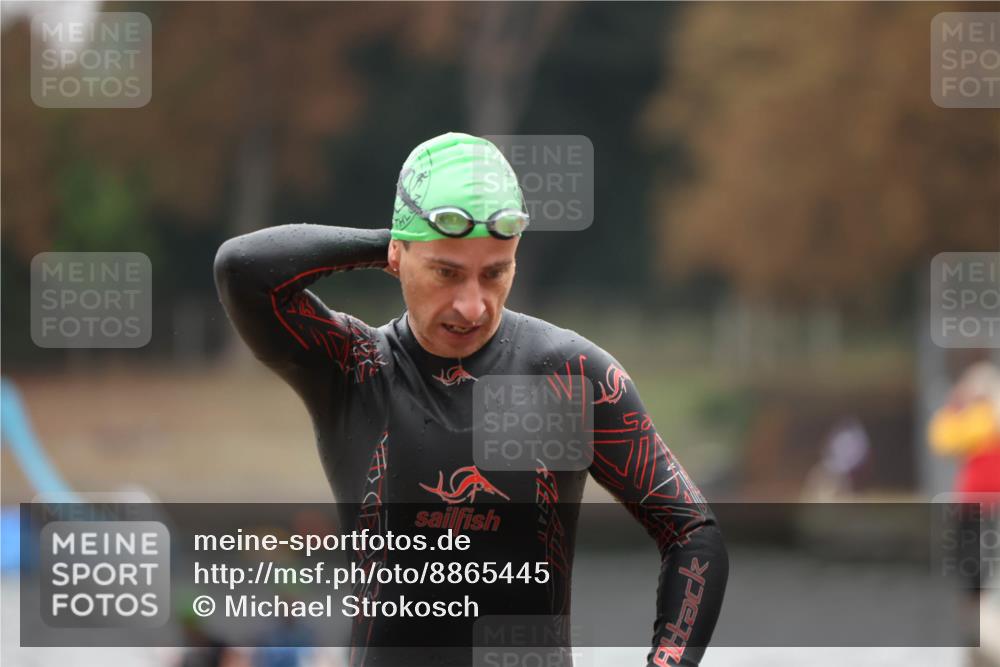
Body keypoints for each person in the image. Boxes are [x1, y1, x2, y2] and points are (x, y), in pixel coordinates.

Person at [214, 132, 728, 666]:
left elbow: (693, 532)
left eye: (494, 273)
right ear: (398, 255)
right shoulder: (354, 368)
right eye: (447, 272)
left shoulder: (570, 376)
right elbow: (243, 269)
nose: (471, 305)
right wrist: (386, 239)